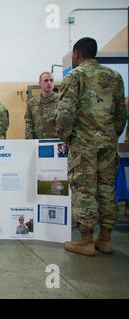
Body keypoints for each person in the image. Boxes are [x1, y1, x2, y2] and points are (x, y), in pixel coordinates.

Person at [56, 37, 127, 256]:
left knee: (84, 189)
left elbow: (64, 114)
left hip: (83, 145)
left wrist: (67, 138)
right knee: (107, 189)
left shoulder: (75, 76)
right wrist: (110, 134)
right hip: (107, 144)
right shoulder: (114, 77)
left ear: (77, 54)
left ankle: (85, 240)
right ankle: (105, 239)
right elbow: (122, 115)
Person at [24, 72, 59, 139]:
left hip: (56, 142)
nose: (49, 83)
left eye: (51, 80)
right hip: (38, 141)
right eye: (46, 80)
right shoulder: (32, 102)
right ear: (40, 83)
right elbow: (29, 122)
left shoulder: (61, 101)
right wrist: (29, 141)